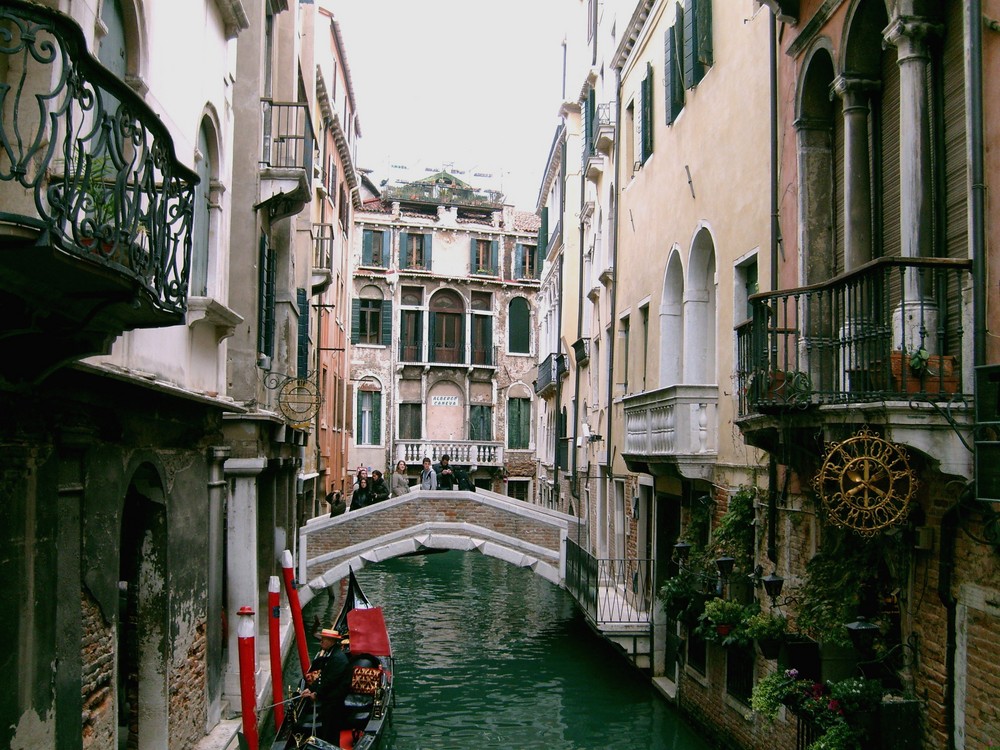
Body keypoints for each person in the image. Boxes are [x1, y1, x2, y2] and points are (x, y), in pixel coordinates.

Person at [302, 628, 350, 744]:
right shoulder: (331, 654)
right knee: (326, 727)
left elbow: (330, 681)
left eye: (324, 639)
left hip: (335, 700)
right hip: (329, 698)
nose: (321, 642)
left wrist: (317, 694)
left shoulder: (338, 659)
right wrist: (310, 689)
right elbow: (322, 677)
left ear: (332, 641)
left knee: (330, 730)